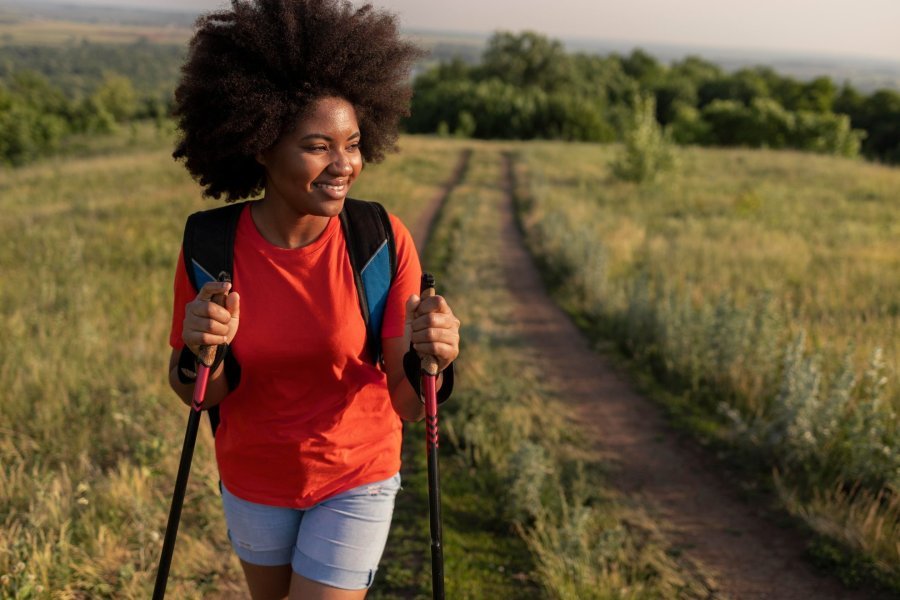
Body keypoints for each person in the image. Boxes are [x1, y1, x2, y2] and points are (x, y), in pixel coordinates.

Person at [165, 1, 460, 598]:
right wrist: (203, 349)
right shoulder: (211, 243)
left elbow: (408, 403)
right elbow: (200, 393)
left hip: (357, 472)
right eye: (318, 146)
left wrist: (436, 361)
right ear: (259, 144)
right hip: (253, 477)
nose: (344, 165)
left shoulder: (379, 240)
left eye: (351, 144)